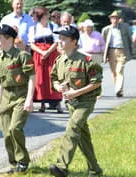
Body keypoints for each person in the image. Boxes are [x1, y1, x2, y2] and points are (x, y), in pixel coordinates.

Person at [49, 25, 103, 177]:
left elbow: (96, 82)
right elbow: (54, 79)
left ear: (74, 41)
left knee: (72, 129)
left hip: (85, 102)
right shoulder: (59, 60)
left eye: (64, 38)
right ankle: (95, 170)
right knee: (82, 137)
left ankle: (61, 166)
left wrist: (76, 92)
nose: (59, 41)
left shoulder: (86, 60)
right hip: (71, 104)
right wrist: (59, 87)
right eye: (59, 38)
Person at [0, 24, 35, 174]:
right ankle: (14, 163)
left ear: (9, 39)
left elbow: (31, 77)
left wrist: (29, 99)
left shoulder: (23, 56)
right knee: (6, 133)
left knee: (15, 128)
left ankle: (23, 161)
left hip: (21, 95)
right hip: (5, 98)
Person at [28, 6, 63, 113]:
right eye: (47, 14)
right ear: (42, 16)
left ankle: (57, 103)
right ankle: (42, 103)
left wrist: (48, 52)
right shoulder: (33, 28)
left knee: (52, 77)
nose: (49, 16)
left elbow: (56, 42)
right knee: (40, 79)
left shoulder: (53, 27)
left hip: (51, 55)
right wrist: (42, 52)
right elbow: (31, 44)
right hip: (39, 56)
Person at [102, 10, 132, 97]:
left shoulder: (125, 27)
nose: (115, 20)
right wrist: (105, 55)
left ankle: (118, 89)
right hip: (111, 51)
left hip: (122, 51)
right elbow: (104, 43)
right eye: (113, 18)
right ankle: (118, 90)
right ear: (110, 20)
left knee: (119, 70)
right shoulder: (106, 29)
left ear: (119, 19)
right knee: (114, 72)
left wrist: (131, 51)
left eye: (116, 18)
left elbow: (130, 39)